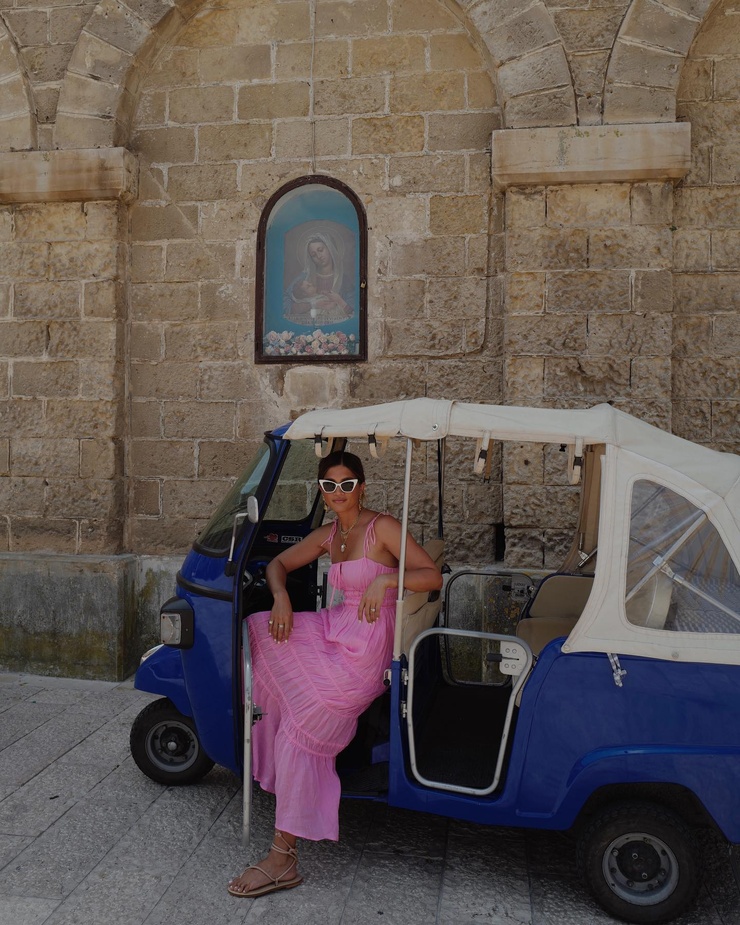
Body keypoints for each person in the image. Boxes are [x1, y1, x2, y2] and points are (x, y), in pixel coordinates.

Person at [227, 450, 443, 898]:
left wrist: (387, 580)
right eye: (330, 486)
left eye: (347, 484)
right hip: (336, 625)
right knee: (259, 628)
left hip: (366, 646)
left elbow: (431, 575)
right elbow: (277, 565)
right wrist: (281, 596)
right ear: (322, 493)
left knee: (300, 731)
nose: (339, 492)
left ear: (361, 487)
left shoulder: (382, 527)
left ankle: (283, 858)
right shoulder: (329, 534)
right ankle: (285, 744)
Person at [282, 231, 354, 326]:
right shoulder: (304, 277)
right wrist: (311, 305)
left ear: (330, 248)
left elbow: (354, 311)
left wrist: (339, 300)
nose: (319, 256)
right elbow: (285, 301)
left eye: (320, 250)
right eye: (314, 255)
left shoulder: (344, 280)